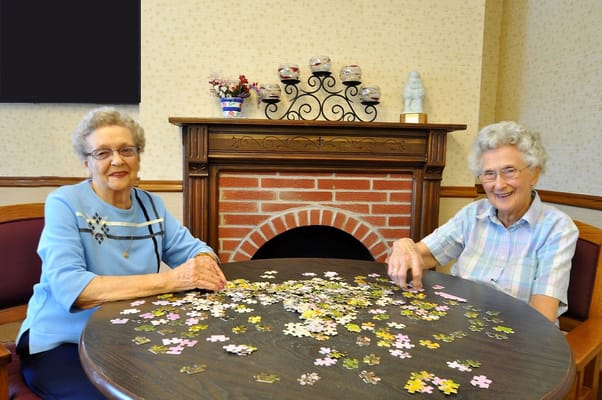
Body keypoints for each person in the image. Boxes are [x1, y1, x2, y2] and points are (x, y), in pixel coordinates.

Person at [16, 107, 227, 399]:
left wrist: (203, 263)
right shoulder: (64, 203)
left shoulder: (151, 205)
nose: (117, 160)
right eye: (102, 153)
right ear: (86, 163)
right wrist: (173, 280)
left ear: (138, 157)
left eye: (126, 149)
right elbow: (73, 290)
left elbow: (196, 251)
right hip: (63, 344)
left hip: (129, 340)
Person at [387, 121, 578, 324]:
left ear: (534, 173)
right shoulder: (473, 214)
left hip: (519, 339)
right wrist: (404, 245)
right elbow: (419, 258)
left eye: (509, 171)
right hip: (459, 325)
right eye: (489, 173)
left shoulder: (557, 229)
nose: (499, 184)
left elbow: (542, 320)